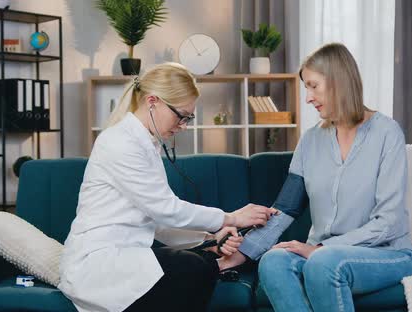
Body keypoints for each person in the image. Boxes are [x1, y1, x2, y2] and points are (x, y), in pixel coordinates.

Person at [58, 62, 277, 312]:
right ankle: (222, 265)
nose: (183, 125)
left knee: (190, 267)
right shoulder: (119, 142)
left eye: (189, 118)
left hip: (125, 257)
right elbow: (165, 210)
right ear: (153, 101)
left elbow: (159, 224)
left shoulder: (147, 144)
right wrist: (231, 218)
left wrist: (210, 238)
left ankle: (216, 263)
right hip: (98, 262)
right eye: (181, 115)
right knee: (189, 268)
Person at [227, 43, 412, 312]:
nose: (307, 97)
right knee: (273, 261)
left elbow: (388, 222)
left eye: (313, 86)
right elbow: (285, 209)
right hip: (322, 252)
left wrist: (321, 247)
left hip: (386, 252)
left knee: (323, 262)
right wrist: (240, 253)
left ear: (339, 82)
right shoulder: (310, 140)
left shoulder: (387, 133)